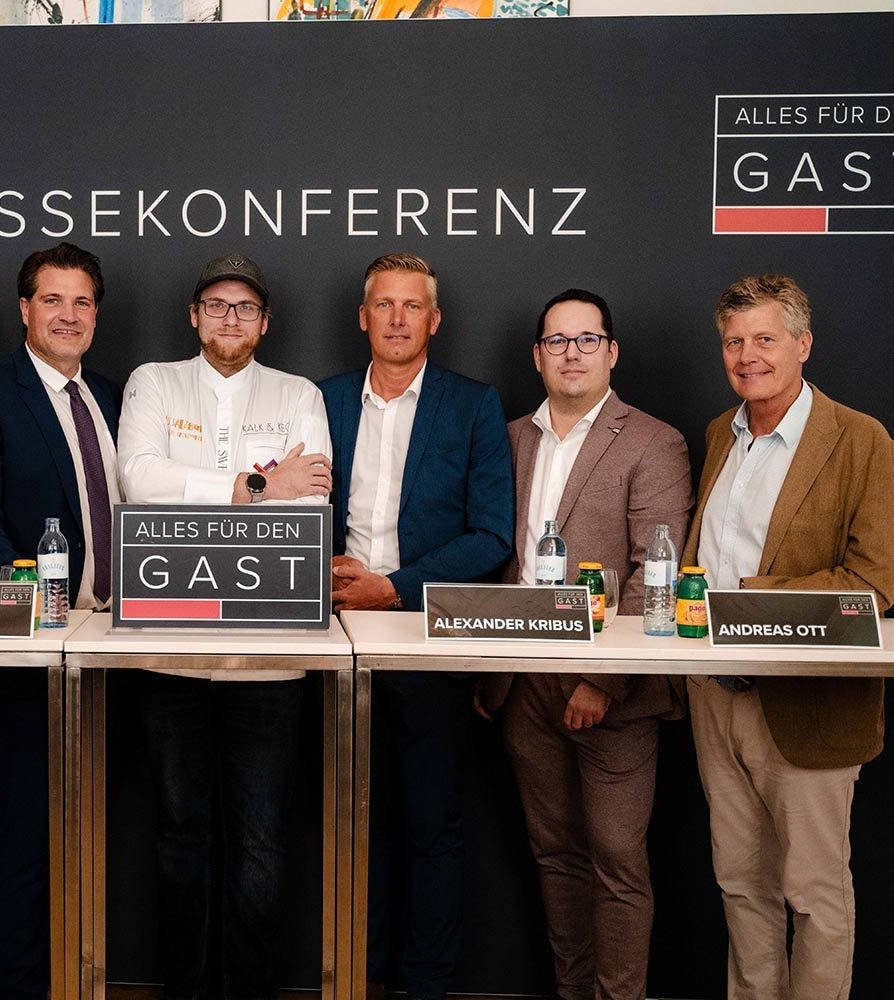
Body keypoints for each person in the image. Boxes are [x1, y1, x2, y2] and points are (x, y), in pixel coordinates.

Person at [116, 252, 332, 1000]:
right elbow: (139, 482)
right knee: (179, 835)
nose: (230, 319)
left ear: (265, 321)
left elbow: (311, 508)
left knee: (263, 842)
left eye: (245, 308)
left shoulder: (298, 393)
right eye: (216, 305)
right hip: (170, 655)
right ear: (193, 315)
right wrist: (257, 485)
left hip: (271, 659)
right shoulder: (153, 381)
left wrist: (208, 498)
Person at [681, 274, 894, 1000]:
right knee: (741, 885)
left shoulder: (862, 440)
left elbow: (875, 581)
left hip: (808, 702)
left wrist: (742, 603)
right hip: (715, 696)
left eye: (765, 339)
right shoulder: (721, 433)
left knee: (814, 892)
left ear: (803, 345)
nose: (748, 356)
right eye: (734, 342)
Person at [476, 288, 693, 1000]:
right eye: (558, 341)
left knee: (616, 863)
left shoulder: (654, 441)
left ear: (612, 352)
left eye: (587, 339)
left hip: (612, 689)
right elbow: (497, 558)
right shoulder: (509, 437)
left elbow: (649, 573)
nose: (573, 353)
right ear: (537, 355)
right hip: (525, 684)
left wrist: (603, 678)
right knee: (556, 856)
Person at [318, 253, 513, 1000]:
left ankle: (424, 987)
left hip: (427, 641)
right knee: (353, 826)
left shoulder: (473, 405)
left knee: (431, 826)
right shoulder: (323, 400)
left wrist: (392, 589)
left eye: (412, 306)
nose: (397, 318)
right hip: (333, 643)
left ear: (434, 320)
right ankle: (357, 978)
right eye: (384, 304)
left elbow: (491, 533)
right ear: (362, 316)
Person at [0, 243, 121, 1000]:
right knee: (19, 841)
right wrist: (28, 596)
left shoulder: (114, 394)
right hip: (28, 652)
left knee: (94, 835)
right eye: (53, 300)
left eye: (82, 302)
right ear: (24, 309)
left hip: (112, 646)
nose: (68, 316)